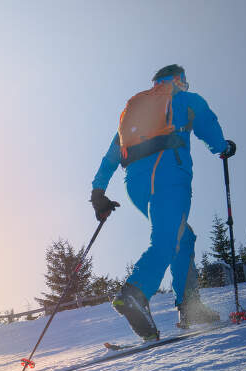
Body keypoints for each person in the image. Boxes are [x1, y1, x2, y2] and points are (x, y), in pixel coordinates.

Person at [90, 64, 235, 340]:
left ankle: (189, 306)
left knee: (182, 236)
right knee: (168, 239)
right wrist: (223, 147)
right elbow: (208, 124)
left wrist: (98, 193)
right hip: (168, 171)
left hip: (136, 183)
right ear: (178, 80)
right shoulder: (184, 99)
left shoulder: (137, 111)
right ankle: (135, 292)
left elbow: (111, 155)